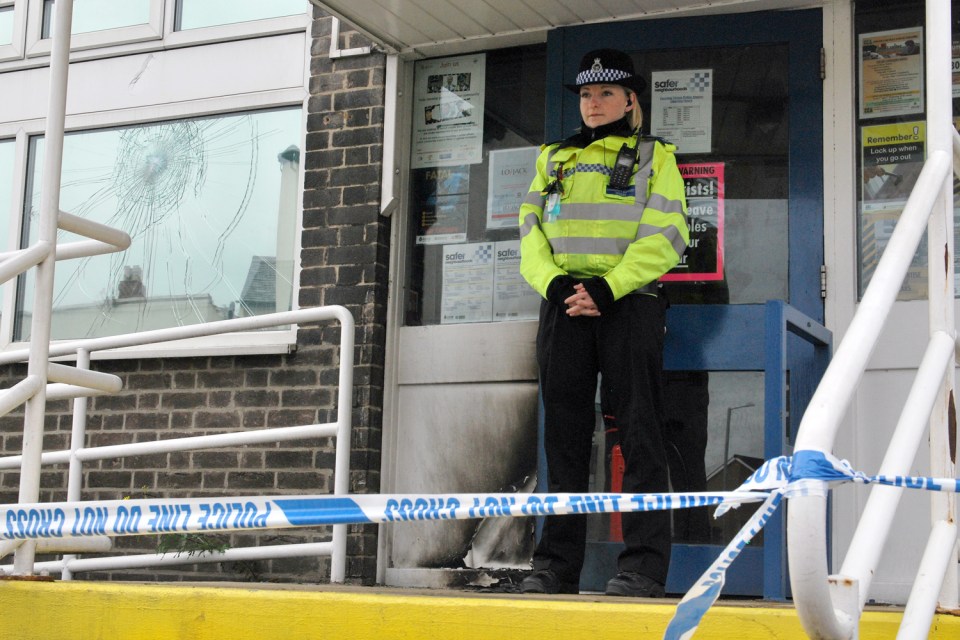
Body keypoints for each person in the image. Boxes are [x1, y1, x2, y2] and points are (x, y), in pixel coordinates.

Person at [518, 49, 690, 597]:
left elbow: (667, 233)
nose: (594, 104)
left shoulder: (655, 157)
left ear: (630, 99)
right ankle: (554, 568)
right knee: (563, 440)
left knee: (640, 436)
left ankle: (642, 569)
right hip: (563, 305)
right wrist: (552, 284)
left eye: (607, 93)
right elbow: (529, 231)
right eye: (587, 95)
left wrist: (606, 288)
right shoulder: (552, 158)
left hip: (628, 303)